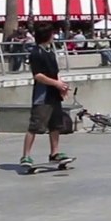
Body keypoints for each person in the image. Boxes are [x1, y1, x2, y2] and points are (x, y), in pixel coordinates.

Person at [21, 22, 73, 168]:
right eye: (52, 33)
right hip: (42, 95)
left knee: (55, 125)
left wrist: (61, 85)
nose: (53, 36)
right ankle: (26, 155)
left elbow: (55, 73)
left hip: (54, 95)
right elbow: (38, 75)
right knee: (35, 126)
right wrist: (56, 84)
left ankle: (54, 153)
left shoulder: (50, 52)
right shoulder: (36, 53)